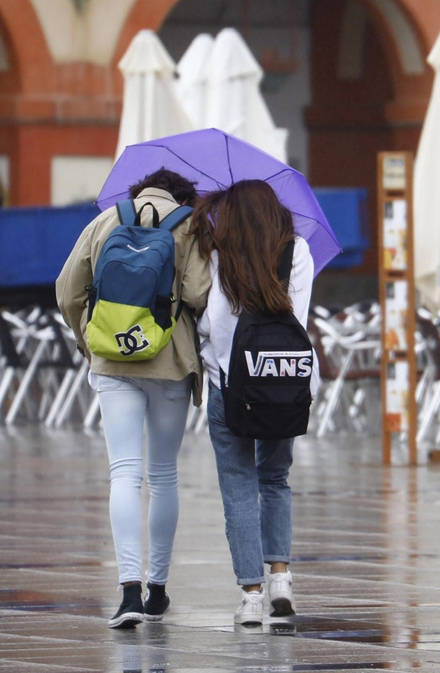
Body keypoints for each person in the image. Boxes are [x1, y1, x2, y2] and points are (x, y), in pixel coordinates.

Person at [57, 169, 211, 630]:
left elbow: (68, 290)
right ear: (184, 195)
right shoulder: (191, 226)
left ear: (139, 189)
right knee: (162, 475)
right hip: (168, 360)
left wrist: (90, 341)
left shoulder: (105, 222)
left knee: (122, 472)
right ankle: (157, 589)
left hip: (111, 360)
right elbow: (200, 293)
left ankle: (127, 592)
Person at [191, 180, 317, 626]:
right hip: (283, 384)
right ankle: (281, 577)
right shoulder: (297, 251)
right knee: (276, 479)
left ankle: (251, 596)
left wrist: (212, 354)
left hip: (230, 386)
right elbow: (297, 320)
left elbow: (214, 325)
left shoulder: (218, 255)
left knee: (239, 489)